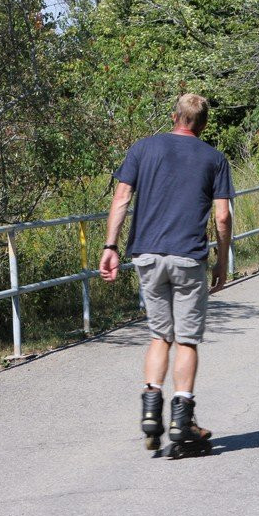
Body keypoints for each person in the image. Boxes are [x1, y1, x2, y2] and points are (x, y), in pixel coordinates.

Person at [99, 93, 234, 453]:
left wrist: (110, 247)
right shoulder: (214, 158)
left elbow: (121, 198)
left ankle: (150, 411)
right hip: (188, 258)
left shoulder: (143, 148)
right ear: (203, 124)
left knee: (160, 336)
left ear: (174, 116)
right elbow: (222, 216)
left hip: (147, 255)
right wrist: (221, 260)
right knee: (186, 340)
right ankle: (180, 419)